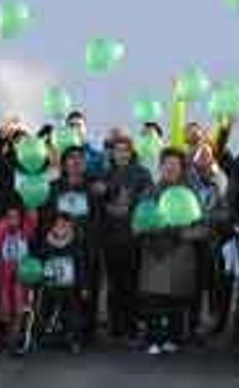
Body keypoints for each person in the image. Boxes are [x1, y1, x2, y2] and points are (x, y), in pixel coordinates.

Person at [136, 148, 208, 355]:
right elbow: (139, 218)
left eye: (175, 165)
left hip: (180, 250)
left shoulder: (191, 193)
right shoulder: (150, 191)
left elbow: (203, 225)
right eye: (166, 164)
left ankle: (174, 338)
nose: (170, 169)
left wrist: (185, 233)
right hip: (154, 249)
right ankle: (153, 338)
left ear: (182, 168)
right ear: (160, 167)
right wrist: (147, 226)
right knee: (152, 298)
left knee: (176, 299)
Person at [42, 147, 101, 341]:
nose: (75, 162)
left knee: (86, 288)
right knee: (60, 289)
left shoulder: (92, 188)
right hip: (60, 246)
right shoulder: (54, 187)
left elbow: (97, 218)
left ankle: (86, 331)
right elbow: (47, 217)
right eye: (71, 158)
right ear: (64, 163)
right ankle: (57, 328)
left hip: (86, 246)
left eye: (80, 158)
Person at [99, 134, 152, 342]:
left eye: (125, 150)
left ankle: (131, 327)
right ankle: (115, 327)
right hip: (111, 237)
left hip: (133, 236)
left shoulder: (142, 173)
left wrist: (130, 206)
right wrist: (105, 198)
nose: (121, 153)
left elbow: (148, 197)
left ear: (132, 152)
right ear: (112, 153)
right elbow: (99, 201)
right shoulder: (105, 173)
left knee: (132, 283)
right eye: (117, 150)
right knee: (113, 284)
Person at [186, 142, 229, 336]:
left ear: (213, 156)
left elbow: (226, 211)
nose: (202, 157)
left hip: (214, 238)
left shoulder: (221, 179)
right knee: (192, 283)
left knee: (214, 283)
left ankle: (215, 323)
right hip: (191, 238)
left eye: (207, 153)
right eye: (199, 154)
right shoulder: (187, 179)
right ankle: (193, 323)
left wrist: (206, 218)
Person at [36, 214, 91, 354]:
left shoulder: (75, 241)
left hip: (69, 285)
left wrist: (84, 286)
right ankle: (40, 337)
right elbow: (41, 261)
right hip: (50, 284)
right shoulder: (46, 241)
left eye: (64, 224)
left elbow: (81, 265)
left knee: (73, 314)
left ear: (69, 226)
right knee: (44, 311)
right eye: (58, 224)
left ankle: (74, 341)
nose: (61, 227)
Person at [0, 193, 37, 351]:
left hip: (21, 270)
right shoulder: (2, 226)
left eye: (16, 217)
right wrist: (5, 230)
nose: (13, 220)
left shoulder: (26, 227)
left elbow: (33, 222)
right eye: (10, 216)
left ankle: (16, 335)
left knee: (19, 302)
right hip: (4, 270)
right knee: (5, 303)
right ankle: (7, 334)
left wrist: (31, 209)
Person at [65, 111, 106, 178]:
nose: (76, 129)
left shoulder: (97, 153)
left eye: (79, 125)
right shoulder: (63, 152)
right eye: (72, 126)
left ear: (85, 128)